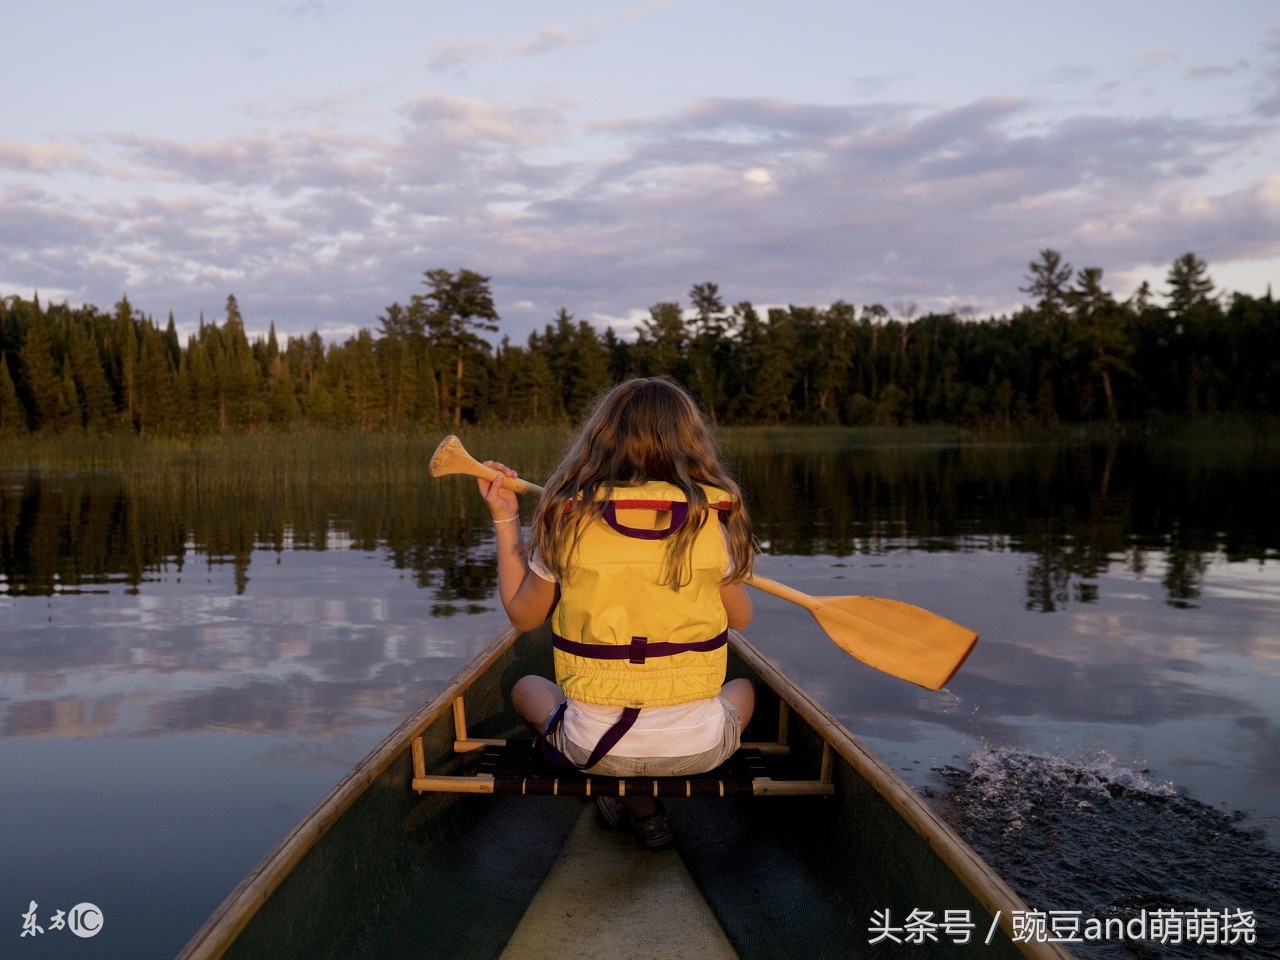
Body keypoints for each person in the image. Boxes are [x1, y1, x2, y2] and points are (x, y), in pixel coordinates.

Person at [476, 377, 757, 848]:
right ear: (692, 446)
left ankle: (632, 801)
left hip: (593, 748)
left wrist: (507, 519)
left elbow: (524, 618)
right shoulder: (713, 523)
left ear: (600, 441)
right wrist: (722, 569)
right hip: (700, 748)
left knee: (525, 686)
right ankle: (641, 802)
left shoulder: (568, 522)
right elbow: (741, 619)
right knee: (745, 687)